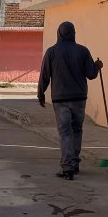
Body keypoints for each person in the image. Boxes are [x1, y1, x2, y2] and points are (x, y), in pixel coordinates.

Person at [38, 21, 103, 181]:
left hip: (60, 99)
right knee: (77, 130)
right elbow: (91, 74)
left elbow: (44, 75)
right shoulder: (82, 51)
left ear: (59, 34)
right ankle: (74, 163)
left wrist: (41, 94)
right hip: (80, 98)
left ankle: (68, 168)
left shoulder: (51, 52)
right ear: (73, 33)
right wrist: (97, 66)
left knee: (65, 132)